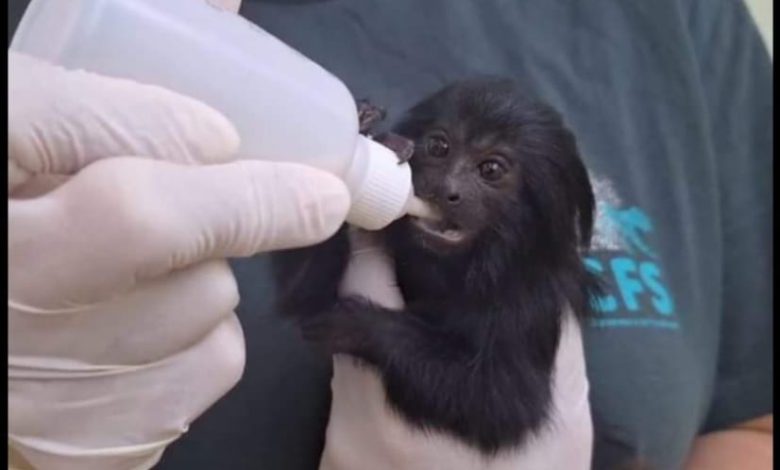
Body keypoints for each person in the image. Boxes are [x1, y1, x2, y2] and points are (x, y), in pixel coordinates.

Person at [7, 0, 772, 469]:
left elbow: (754, 424)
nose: (448, 186)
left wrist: (380, 334)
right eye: (438, 153)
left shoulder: (678, 20)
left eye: (492, 170)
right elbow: (312, 281)